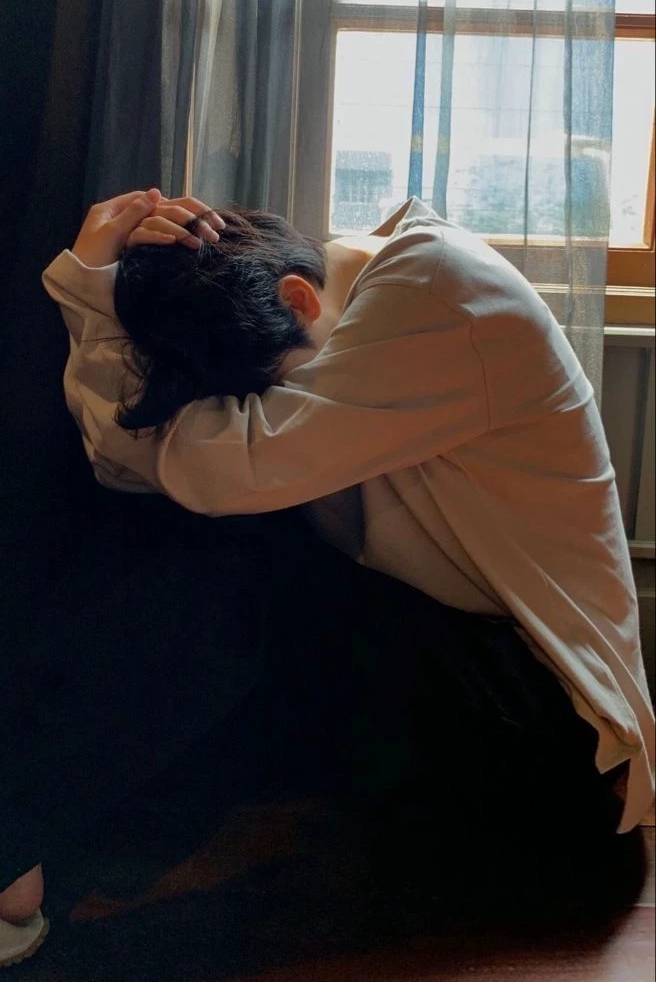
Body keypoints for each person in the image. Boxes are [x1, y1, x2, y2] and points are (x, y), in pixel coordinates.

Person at [1, 186, 653, 964]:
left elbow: (212, 467)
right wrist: (96, 287)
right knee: (187, 530)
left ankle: (16, 845)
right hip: (461, 684)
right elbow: (137, 463)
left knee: (231, 558)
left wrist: (87, 291)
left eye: (264, 395)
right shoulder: (350, 301)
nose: (263, 409)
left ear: (298, 299)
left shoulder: (442, 294)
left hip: (554, 760)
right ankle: (42, 838)